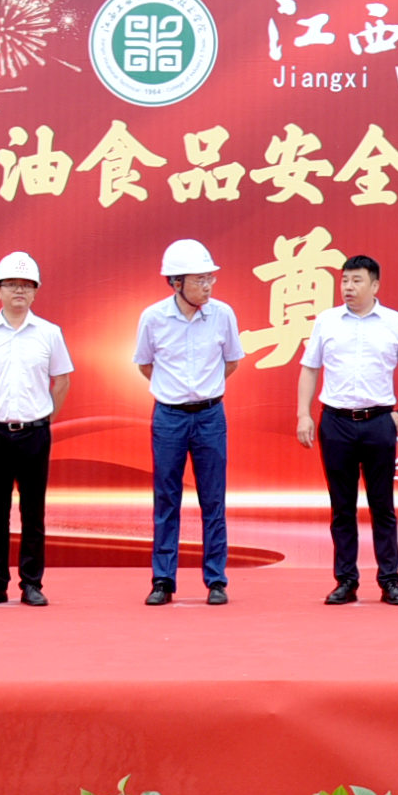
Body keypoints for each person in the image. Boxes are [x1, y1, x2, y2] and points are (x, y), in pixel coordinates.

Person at [298, 254, 398, 605]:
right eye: (344, 281)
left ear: (375, 285)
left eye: (356, 281)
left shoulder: (395, 322)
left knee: (382, 506)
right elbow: (310, 368)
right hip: (336, 422)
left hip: (378, 423)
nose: (348, 287)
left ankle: (390, 581)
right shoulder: (327, 321)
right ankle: (346, 581)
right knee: (342, 507)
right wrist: (303, 414)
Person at [0, 251, 71, 606]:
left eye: (26, 285)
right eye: (11, 285)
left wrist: (44, 419)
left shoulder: (50, 333)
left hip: (35, 433)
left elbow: (62, 381)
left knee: (33, 512)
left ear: (35, 291)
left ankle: (32, 583)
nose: (19, 291)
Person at [135, 237, 245, 606]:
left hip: (211, 415)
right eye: (200, 280)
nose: (208, 286)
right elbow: (145, 364)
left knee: (213, 499)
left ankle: (216, 580)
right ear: (176, 282)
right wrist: (176, 390)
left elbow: (231, 361)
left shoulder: (223, 314)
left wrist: (204, 389)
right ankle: (163, 580)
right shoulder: (153, 318)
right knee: (167, 498)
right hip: (169, 416)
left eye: (210, 278)